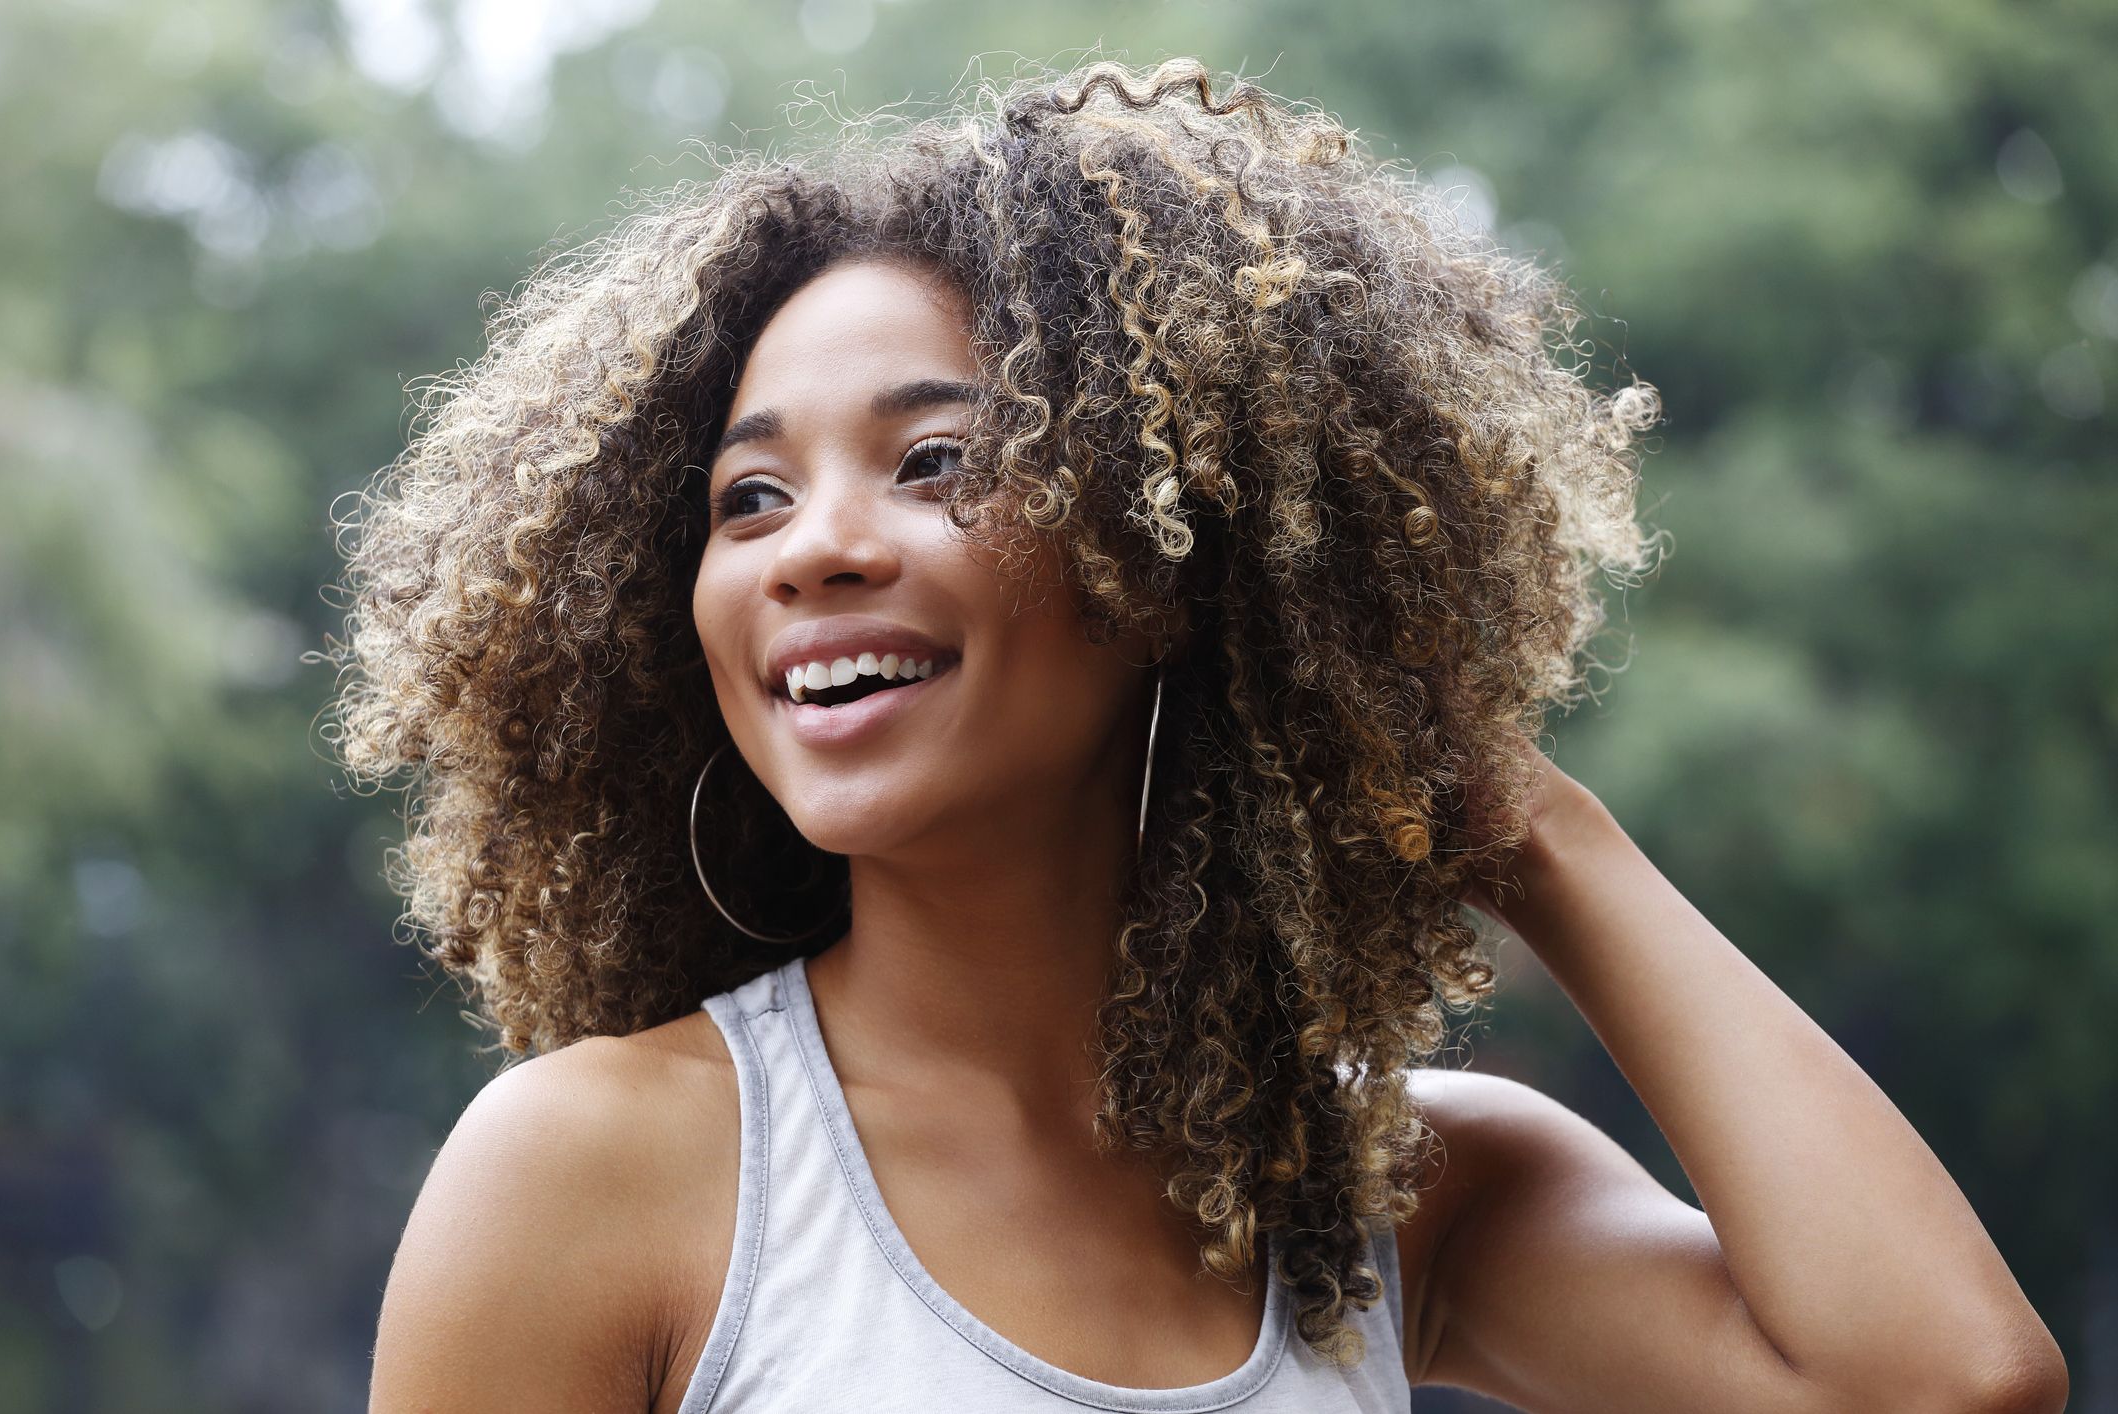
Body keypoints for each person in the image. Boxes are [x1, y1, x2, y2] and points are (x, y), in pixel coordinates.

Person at [338, 57, 2066, 1413]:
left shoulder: (1383, 1192)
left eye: (940, 462)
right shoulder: (595, 1171)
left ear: (1167, 555)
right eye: (750, 497)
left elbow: (1941, 1380)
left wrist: (1534, 832)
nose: (816, 548)